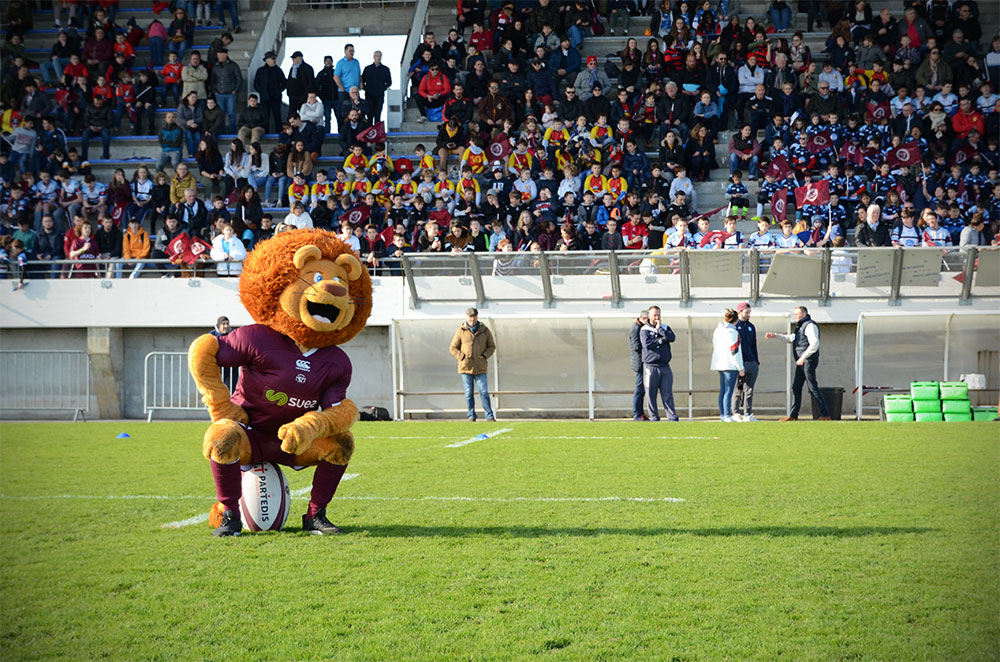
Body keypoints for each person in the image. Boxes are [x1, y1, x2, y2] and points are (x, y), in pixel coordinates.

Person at [765, 305, 831, 421]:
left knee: (812, 387)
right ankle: (793, 415)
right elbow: (791, 338)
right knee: (796, 387)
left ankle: (825, 414)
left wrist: (803, 357)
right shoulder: (800, 326)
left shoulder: (810, 325)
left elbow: (814, 344)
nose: (794, 316)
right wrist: (776, 335)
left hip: (807, 361)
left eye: (797, 314)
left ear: (804, 314)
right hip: (801, 362)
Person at [448, 307, 496, 421]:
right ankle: (471, 415)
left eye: (474, 317)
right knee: (468, 393)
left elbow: (492, 346)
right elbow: (453, 347)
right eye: (470, 317)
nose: (472, 319)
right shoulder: (461, 331)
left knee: (483, 391)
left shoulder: (485, 330)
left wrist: (484, 356)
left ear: (477, 317)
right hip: (466, 367)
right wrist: (462, 357)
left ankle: (489, 416)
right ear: (466, 317)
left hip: (480, 367)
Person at [640, 305, 678, 422]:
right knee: (651, 393)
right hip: (650, 367)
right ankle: (654, 417)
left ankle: (672, 417)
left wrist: (660, 329)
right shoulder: (644, 330)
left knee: (667, 393)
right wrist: (661, 340)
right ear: (649, 316)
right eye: (654, 315)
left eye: (658, 315)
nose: (657, 317)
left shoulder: (665, 327)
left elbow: (671, 337)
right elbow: (648, 344)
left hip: (665, 366)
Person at [711, 308, 745, 423]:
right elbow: (734, 350)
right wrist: (740, 367)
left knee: (723, 390)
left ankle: (723, 415)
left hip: (720, 363)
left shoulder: (717, 330)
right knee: (728, 391)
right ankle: (726, 415)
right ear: (735, 320)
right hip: (730, 365)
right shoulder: (733, 332)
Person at [732, 302, 759, 422]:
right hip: (739, 363)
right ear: (740, 312)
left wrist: (756, 361)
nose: (749, 315)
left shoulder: (751, 327)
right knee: (738, 389)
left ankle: (748, 414)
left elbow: (754, 345)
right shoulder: (733, 326)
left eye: (749, 312)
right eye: (746, 312)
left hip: (751, 362)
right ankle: (736, 413)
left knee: (749, 390)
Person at [629, 309, 648, 421]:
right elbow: (636, 346)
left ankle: (640, 412)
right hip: (640, 363)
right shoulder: (636, 329)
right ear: (644, 318)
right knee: (639, 388)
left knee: (642, 389)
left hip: (642, 362)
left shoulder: (639, 328)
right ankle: (637, 413)